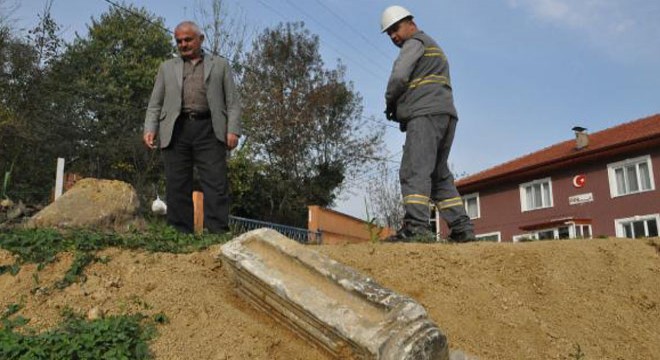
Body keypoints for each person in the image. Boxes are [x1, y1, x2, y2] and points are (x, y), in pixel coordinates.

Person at [381, 6, 475, 242]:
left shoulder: (414, 43)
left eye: (395, 29)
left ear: (410, 23)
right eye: (389, 33)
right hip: (446, 116)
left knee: (414, 169)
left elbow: (399, 76)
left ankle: (416, 227)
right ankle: (462, 229)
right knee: (438, 176)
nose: (393, 36)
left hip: (425, 116)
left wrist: (390, 102)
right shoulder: (435, 48)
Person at [144, 21, 241, 234]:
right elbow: (155, 102)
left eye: (188, 39)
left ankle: (217, 232)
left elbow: (232, 102)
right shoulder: (167, 67)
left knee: (215, 182)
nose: (183, 44)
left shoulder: (221, 65)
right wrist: (150, 128)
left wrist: (233, 130)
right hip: (176, 129)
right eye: (179, 41)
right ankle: (180, 233)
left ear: (201, 39)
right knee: (177, 183)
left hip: (210, 128)